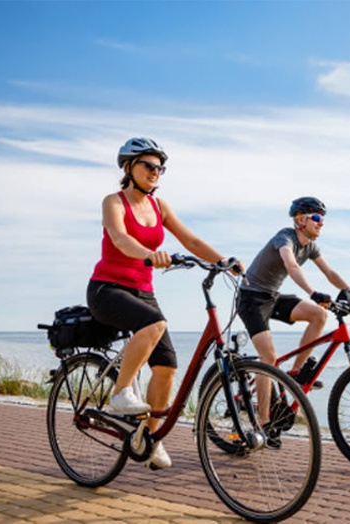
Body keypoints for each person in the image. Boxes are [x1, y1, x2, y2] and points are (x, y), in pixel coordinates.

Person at [87, 137, 241, 469]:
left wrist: (226, 260)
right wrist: (150, 254)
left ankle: (149, 438)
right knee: (154, 323)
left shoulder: (160, 207)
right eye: (149, 165)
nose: (156, 172)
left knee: (168, 367)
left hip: (142, 291)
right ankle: (121, 392)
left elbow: (191, 239)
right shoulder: (113, 202)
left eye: (160, 168)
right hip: (107, 289)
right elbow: (119, 238)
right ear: (129, 168)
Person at [237, 196, 350, 436]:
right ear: (300, 220)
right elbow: (291, 265)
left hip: (273, 296)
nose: (321, 224)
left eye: (323, 220)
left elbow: (330, 272)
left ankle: (295, 374)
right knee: (268, 358)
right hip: (251, 299)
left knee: (319, 315)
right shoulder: (286, 236)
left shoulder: (310, 246)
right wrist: (312, 292)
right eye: (317, 218)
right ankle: (263, 422)